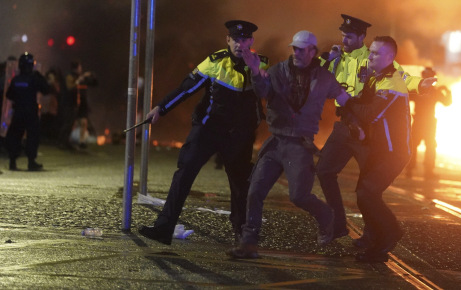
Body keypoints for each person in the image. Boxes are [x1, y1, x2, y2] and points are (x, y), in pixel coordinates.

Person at [139, 20, 269, 245]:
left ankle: (242, 234)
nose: (240, 44)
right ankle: (164, 228)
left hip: (240, 135)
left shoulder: (262, 64)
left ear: (252, 41)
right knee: (184, 173)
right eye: (235, 39)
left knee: (240, 184)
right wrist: (162, 108)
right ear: (227, 40)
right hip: (208, 129)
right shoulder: (214, 61)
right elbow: (186, 88)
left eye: (245, 39)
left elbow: (269, 94)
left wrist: (255, 70)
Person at [228, 30, 350, 259]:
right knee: (254, 191)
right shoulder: (277, 71)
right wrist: (255, 70)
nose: (297, 53)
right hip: (276, 141)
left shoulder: (324, 77)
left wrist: (362, 117)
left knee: (299, 196)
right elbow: (262, 92)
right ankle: (248, 242)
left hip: (299, 144)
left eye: (302, 49)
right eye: (294, 48)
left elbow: (344, 100)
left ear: (312, 52)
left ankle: (327, 216)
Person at [316, 14, 435, 243]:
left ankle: (371, 233)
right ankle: (338, 223)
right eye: (343, 35)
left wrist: (420, 85)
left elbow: (400, 77)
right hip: (345, 124)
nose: (345, 40)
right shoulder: (338, 58)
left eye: (349, 36)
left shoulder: (373, 57)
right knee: (323, 171)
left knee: (367, 186)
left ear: (361, 37)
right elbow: (317, 75)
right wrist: (327, 59)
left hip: (366, 128)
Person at [340, 36, 411, 262]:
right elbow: (361, 106)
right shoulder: (376, 77)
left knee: (367, 193)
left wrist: (345, 99)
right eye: (370, 51)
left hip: (394, 152)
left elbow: (369, 114)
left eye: (376, 53)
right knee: (363, 195)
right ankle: (377, 240)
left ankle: (389, 235)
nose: (370, 56)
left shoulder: (392, 83)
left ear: (390, 57)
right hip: (378, 149)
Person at [5, 52, 50, 171]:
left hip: (18, 111)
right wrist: (41, 77)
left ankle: (12, 162)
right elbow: (46, 90)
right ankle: (31, 162)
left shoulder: (15, 79)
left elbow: (9, 95)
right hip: (30, 111)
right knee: (32, 136)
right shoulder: (34, 78)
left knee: (15, 135)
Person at [406, 67, 452, 178]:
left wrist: (447, 91)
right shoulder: (420, 89)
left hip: (428, 122)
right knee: (415, 145)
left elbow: (447, 103)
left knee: (429, 146)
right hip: (421, 121)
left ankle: (426, 171)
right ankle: (412, 170)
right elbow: (405, 98)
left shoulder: (432, 91)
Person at [58, 61, 97, 150]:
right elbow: (70, 87)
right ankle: (62, 141)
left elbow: (94, 83)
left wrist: (90, 76)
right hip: (69, 103)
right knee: (68, 123)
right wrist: (81, 78)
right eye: (80, 67)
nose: (81, 69)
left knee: (76, 123)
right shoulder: (70, 76)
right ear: (77, 67)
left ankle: (75, 142)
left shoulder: (80, 77)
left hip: (77, 104)